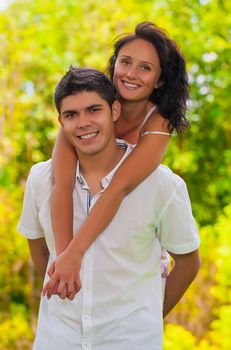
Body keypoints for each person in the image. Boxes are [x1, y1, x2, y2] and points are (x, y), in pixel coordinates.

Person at [18, 67, 200, 349]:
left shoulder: (162, 185)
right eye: (71, 115)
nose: (83, 123)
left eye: (93, 110)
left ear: (115, 110)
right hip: (58, 338)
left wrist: (147, 318)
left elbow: (188, 263)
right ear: (60, 121)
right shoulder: (41, 180)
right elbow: (40, 249)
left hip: (130, 341)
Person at [45, 22, 190, 299]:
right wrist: (64, 259)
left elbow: (119, 186)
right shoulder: (86, 106)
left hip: (131, 247)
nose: (131, 74)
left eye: (145, 68)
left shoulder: (158, 121)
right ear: (114, 66)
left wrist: (75, 253)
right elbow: (62, 184)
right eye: (125, 62)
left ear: (159, 80)